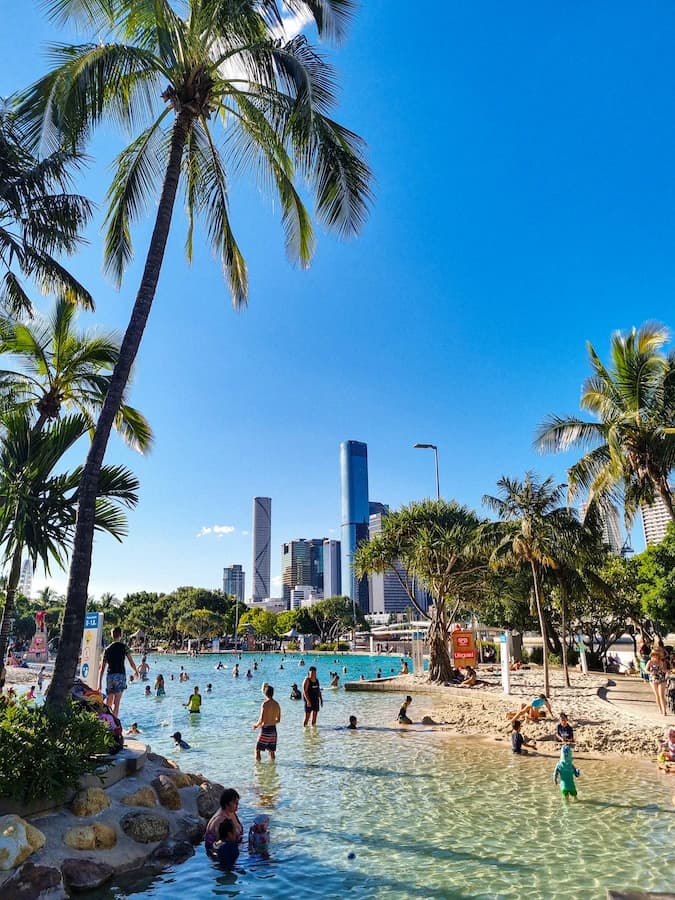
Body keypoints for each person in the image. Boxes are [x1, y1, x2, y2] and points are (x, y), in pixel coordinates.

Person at [98, 626, 139, 719]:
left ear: (112, 636)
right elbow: (131, 662)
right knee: (116, 703)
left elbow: (102, 668)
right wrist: (136, 671)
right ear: (121, 635)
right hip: (120, 675)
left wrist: (99, 683)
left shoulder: (107, 649)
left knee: (109, 702)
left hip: (110, 676)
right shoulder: (124, 647)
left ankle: (106, 722)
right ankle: (114, 725)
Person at [205, 789, 243, 854]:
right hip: (219, 853)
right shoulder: (220, 820)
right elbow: (220, 844)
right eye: (234, 802)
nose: (237, 804)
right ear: (226, 804)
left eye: (237, 802)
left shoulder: (231, 812)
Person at [253, 684, 281, 761]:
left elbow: (261, 719)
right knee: (272, 751)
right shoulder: (277, 704)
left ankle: (258, 768)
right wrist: (271, 720)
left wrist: (256, 725)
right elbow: (278, 720)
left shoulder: (264, 704)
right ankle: (273, 767)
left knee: (257, 750)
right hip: (273, 730)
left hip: (265, 729)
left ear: (265, 693)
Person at [646, 647, 670, 716]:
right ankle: (660, 709)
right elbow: (646, 670)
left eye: (657, 655)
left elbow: (664, 670)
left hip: (661, 679)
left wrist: (668, 671)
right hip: (653, 679)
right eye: (654, 655)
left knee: (661, 695)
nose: (655, 656)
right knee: (657, 695)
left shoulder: (662, 662)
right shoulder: (649, 662)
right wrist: (651, 673)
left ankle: (664, 711)